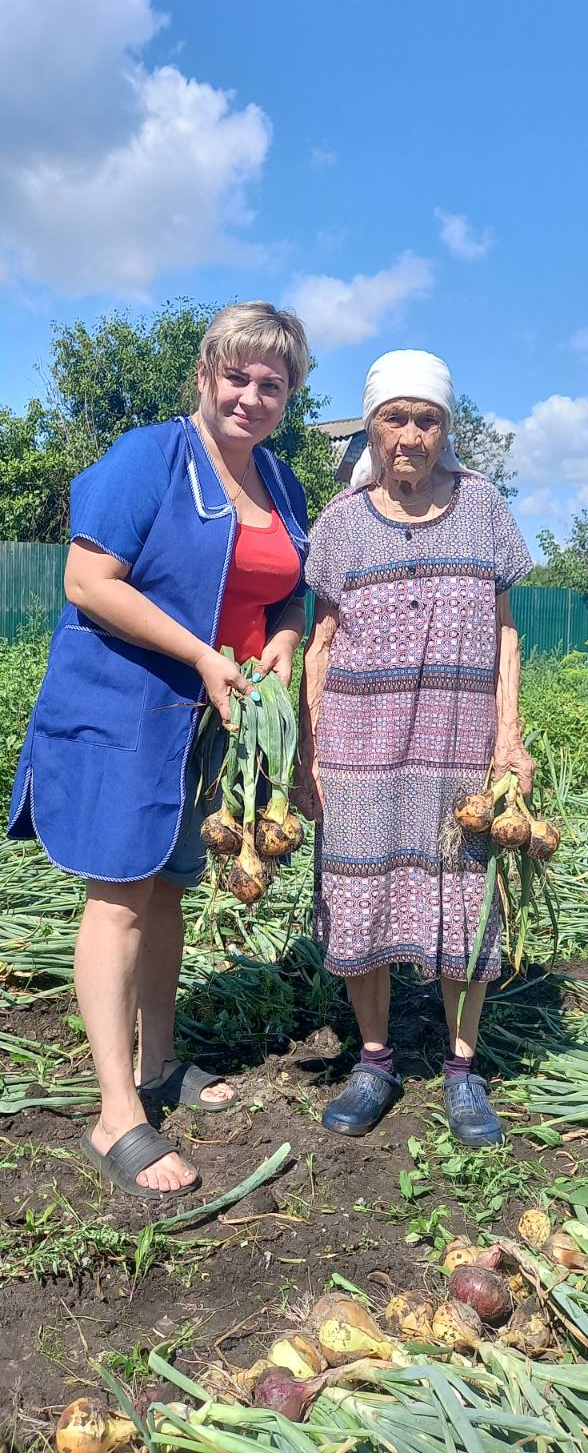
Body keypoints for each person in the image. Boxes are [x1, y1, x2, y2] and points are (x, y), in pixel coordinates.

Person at [8, 302, 311, 1199]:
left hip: (214, 721)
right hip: (127, 709)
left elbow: (289, 589)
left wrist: (285, 642)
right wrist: (200, 656)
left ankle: (160, 1059)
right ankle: (115, 1114)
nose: (251, 396)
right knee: (121, 900)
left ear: (290, 395)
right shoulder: (153, 456)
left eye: (273, 383)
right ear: (206, 373)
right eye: (237, 375)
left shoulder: (283, 484)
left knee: (170, 889)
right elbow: (87, 581)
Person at [294, 349, 533, 1147]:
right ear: (371, 426)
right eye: (395, 418)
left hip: (463, 750)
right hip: (361, 752)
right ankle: (375, 1060)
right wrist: (307, 754)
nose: (410, 434)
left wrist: (510, 738)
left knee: (469, 901)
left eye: (426, 419)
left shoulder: (486, 509)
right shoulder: (339, 524)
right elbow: (319, 644)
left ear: (445, 429)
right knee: (361, 891)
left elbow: (505, 634)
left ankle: (463, 1072)